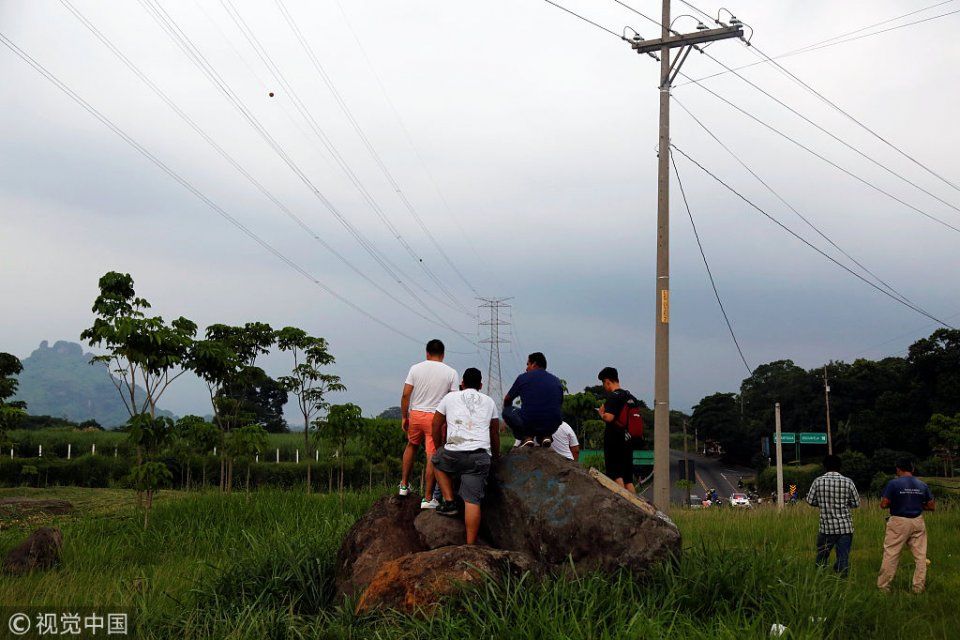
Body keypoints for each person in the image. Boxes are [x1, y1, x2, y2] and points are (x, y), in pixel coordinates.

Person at [430, 367, 501, 544]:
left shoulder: (449, 398)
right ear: (481, 385)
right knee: (472, 501)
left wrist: (440, 446)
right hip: (479, 457)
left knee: (436, 460)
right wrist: (496, 456)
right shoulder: (489, 401)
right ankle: (470, 546)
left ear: (462, 383)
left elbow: (435, 424)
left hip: (453, 454)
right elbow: (494, 433)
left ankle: (449, 501)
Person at [399, 339, 458, 509]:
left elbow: (405, 395)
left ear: (427, 353)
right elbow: (453, 400)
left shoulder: (415, 368)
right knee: (432, 455)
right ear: (443, 355)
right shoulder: (451, 373)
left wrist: (405, 416)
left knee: (411, 446)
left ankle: (403, 486)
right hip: (436, 418)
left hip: (416, 414)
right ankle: (427, 498)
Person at [877, 457, 935, 593]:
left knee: (891, 554)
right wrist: (919, 505)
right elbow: (931, 506)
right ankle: (918, 588)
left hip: (898, 521)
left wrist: (896, 503)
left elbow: (883, 504)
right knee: (920, 556)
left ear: (898, 469)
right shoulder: (922, 485)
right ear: (912, 469)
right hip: (918, 521)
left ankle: (883, 587)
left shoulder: (893, 484)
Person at [805, 454, 860, 577]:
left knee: (822, 556)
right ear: (840, 466)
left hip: (826, 527)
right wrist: (845, 504)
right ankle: (841, 581)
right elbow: (856, 503)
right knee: (843, 557)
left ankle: (820, 579)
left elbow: (809, 500)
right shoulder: (848, 482)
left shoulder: (818, 481)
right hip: (845, 527)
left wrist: (822, 503)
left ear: (824, 466)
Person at [502, 352, 563, 447]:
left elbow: (507, 399)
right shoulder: (556, 380)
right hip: (553, 424)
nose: (526, 368)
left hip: (529, 423)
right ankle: (546, 436)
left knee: (506, 411)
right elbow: (558, 404)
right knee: (547, 413)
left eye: (528, 364)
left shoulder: (523, 378)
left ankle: (526, 437)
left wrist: (507, 410)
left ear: (534, 364)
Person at [596, 367, 637, 492]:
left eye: (603, 383)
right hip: (628, 440)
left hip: (615, 441)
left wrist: (601, 414)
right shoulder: (630, 397)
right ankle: (637, 508)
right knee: (628, 480)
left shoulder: (614, 396)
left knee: (616, 475)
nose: (604, 386)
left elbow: (609, 418)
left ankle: (623, 506)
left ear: (607, 381)